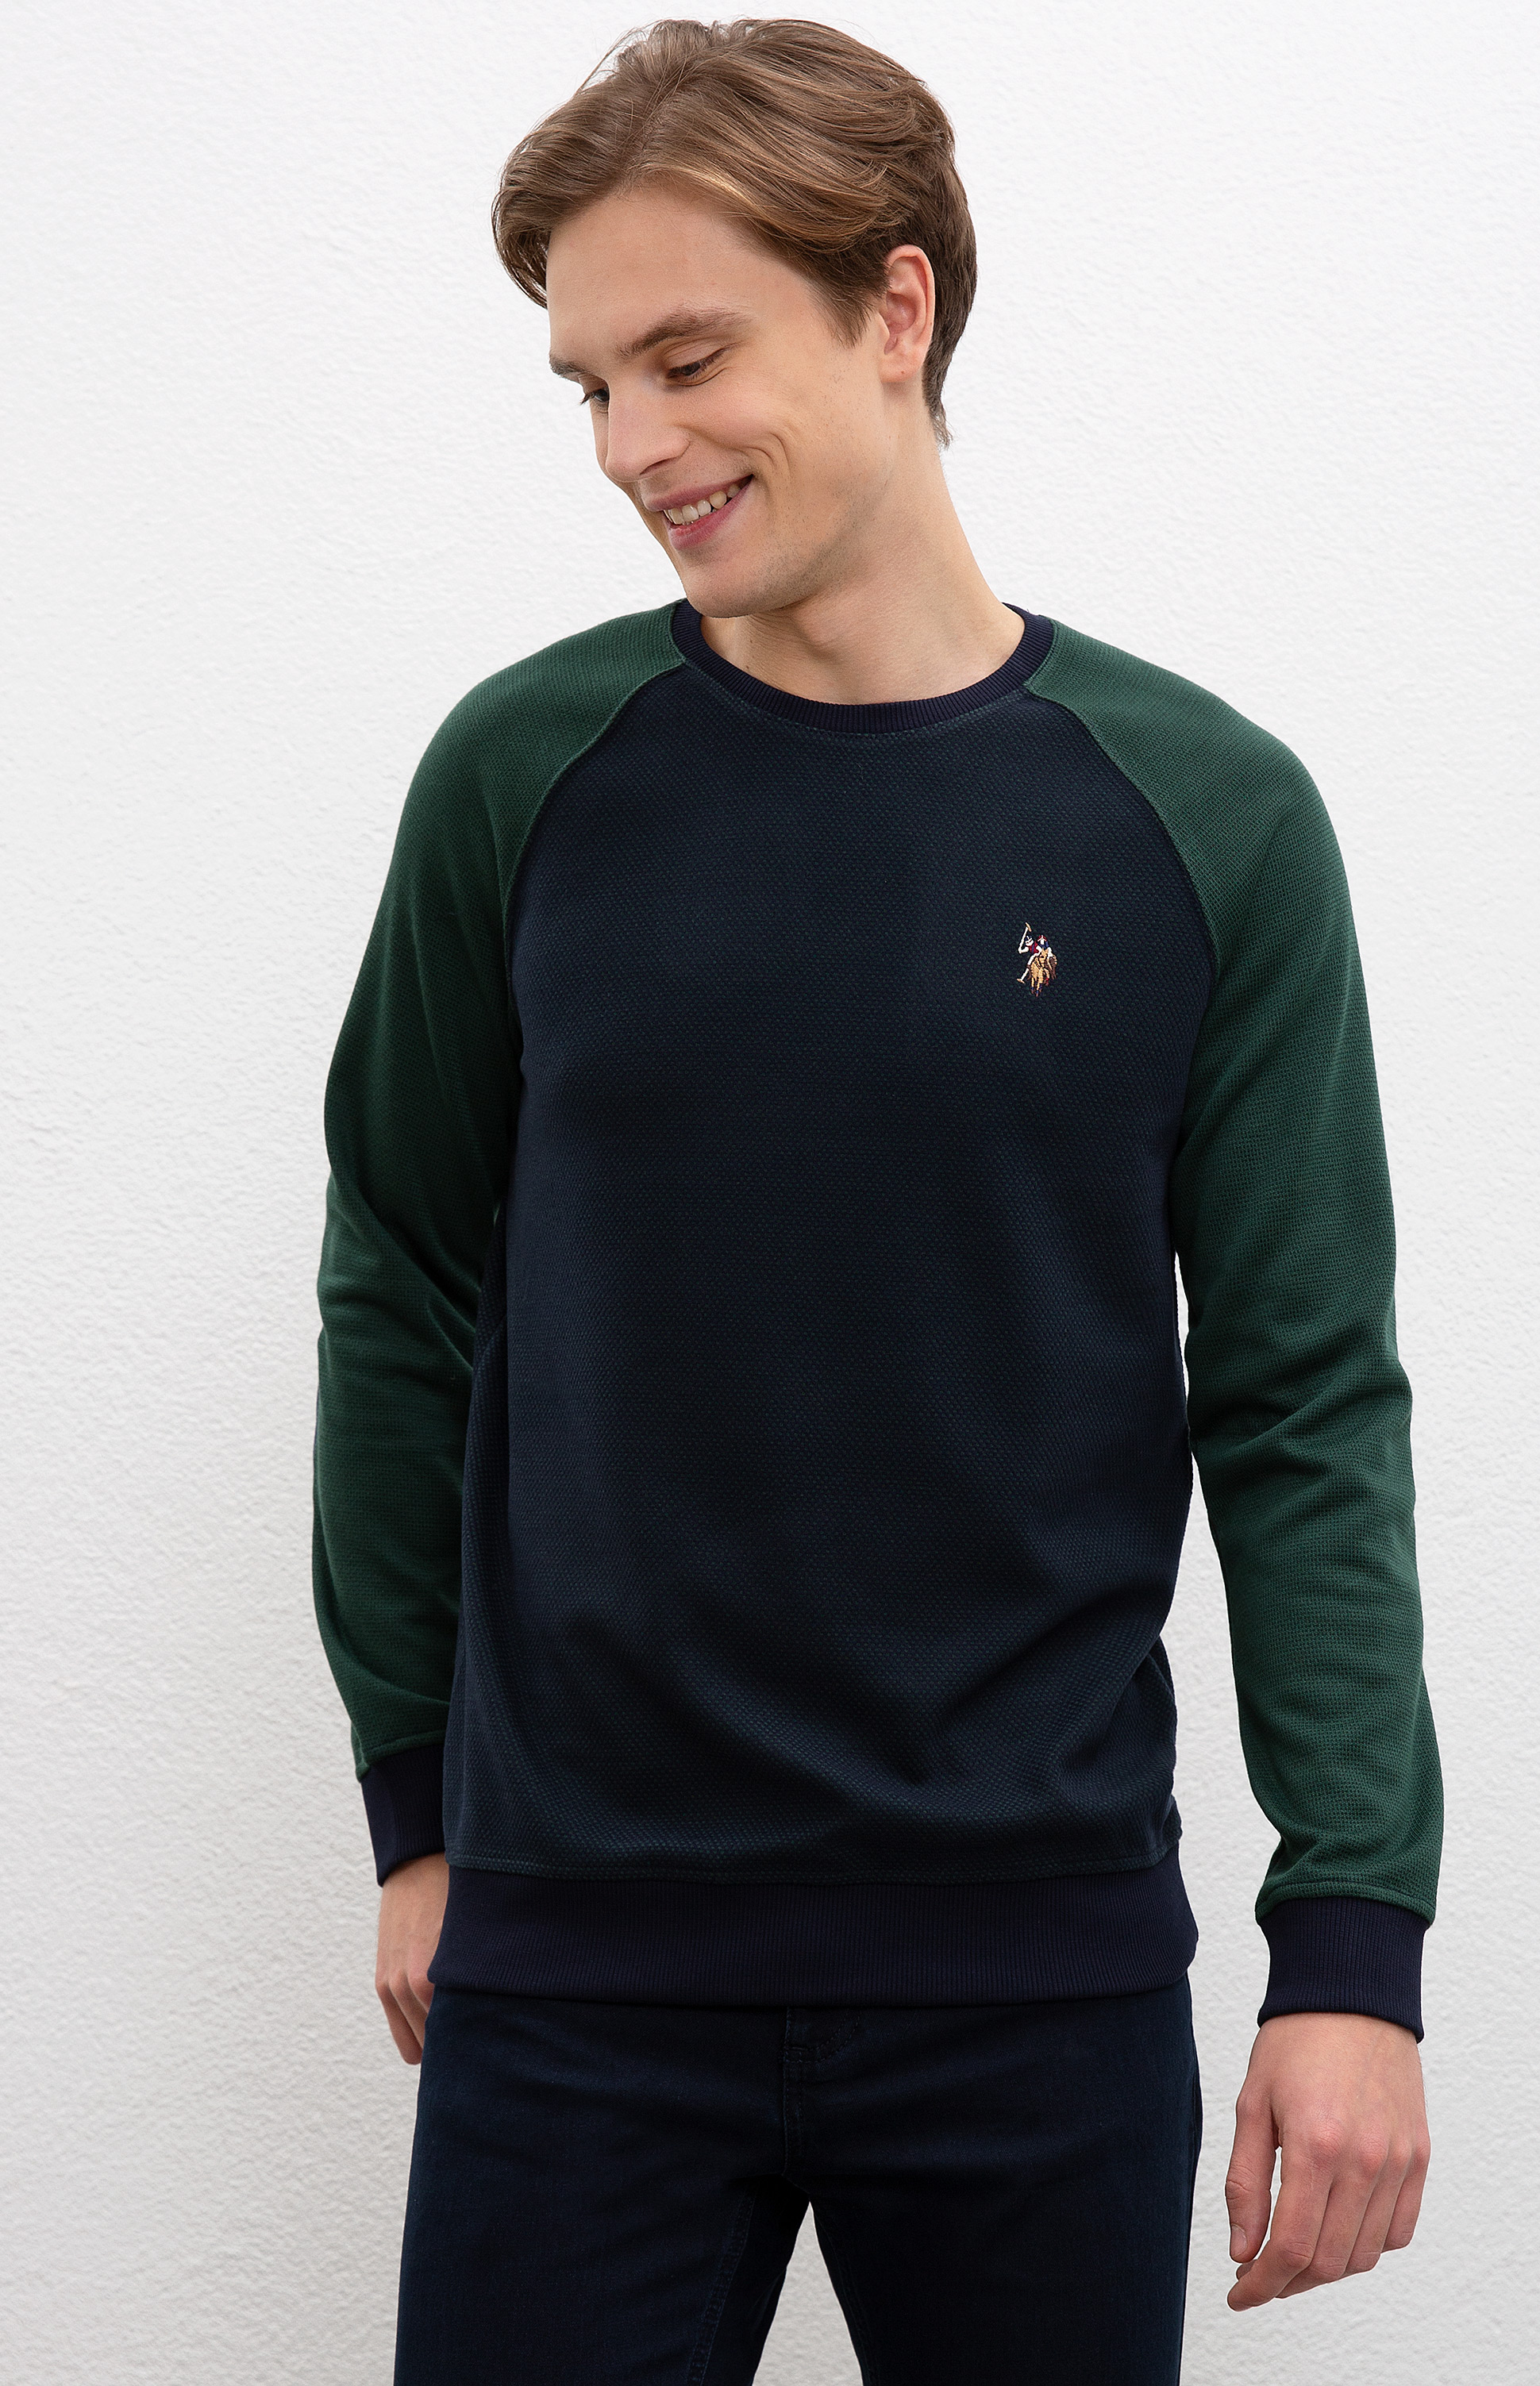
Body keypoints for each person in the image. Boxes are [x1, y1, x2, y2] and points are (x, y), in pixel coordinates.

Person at [312, 20, 1442, 2383]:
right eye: (588, 386)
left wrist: (1350, 1945)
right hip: (580, 1967)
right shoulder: (527, 777)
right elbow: (403, 1288)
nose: (630, 447)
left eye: (687, 358)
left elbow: (1301, 1399)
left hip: (1034, 1973)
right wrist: (418, 1808)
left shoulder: (1204, 816)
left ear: (895, 306)